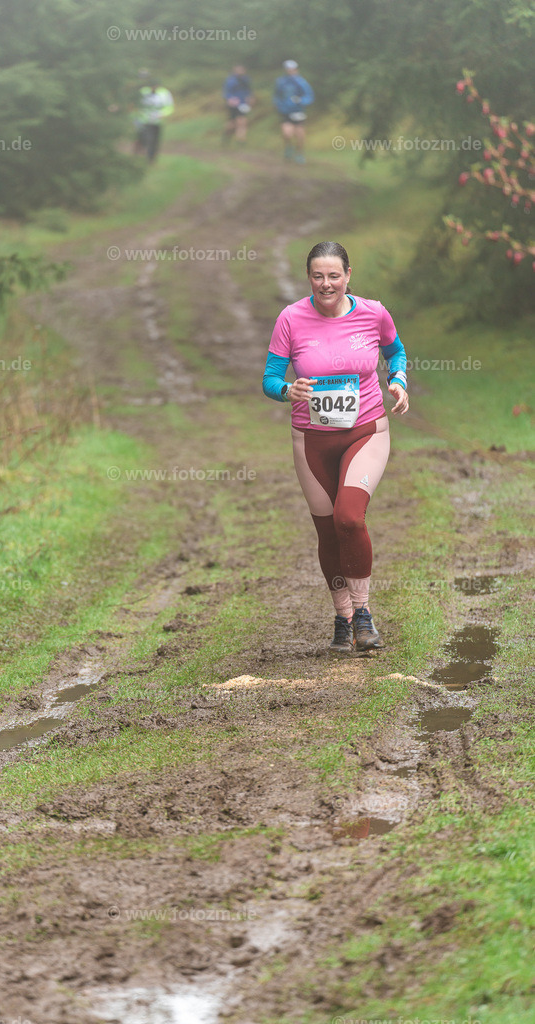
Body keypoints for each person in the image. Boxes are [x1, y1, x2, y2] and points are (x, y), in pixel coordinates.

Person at [262, 240, 409, 654]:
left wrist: (398, 381)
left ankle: (363, 613)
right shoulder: (291, 319)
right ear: (309, 278)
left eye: (333, 275)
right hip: (311, 440)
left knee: (349, 518)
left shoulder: (373, 313)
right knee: (327, 530)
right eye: (317, 276)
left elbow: (395, 352)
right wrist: (288, 390)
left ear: (347, 275)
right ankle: (342, 618)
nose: (326, 284)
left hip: (366, 431)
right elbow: (270, 379)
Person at [273, 59, 314, 164]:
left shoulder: (302, 82)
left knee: (300, 135)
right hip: (286, 112)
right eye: (288, 69)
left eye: (292, 69)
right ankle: (288, 148)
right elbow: (277, 96)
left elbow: (309, 96)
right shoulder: (281, 82)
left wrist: (300, 101)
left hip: (298, 112)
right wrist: (279, 105)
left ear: (296, 69)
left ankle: (299, 153)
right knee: (287, 134)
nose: (290, 71)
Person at [134, 79, 174, 162]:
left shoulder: (164, 93)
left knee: (153, 141)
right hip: (143, 121)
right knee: (144, 139)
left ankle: (151, 159)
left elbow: (169, 107)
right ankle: (139, 156)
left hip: (157, 122)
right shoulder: (143, 91)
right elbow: (136, 105)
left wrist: (162, 114)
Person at [222, 65, 254, 144]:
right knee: (232, 122)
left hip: (243, 104)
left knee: (242, 121)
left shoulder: (246, 80)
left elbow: (248, 90)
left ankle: (241, 140)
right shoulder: (230, 80)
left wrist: (250, 98)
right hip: (233, 104)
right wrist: (230, 99)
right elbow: (227, 92)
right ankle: (226, 135)